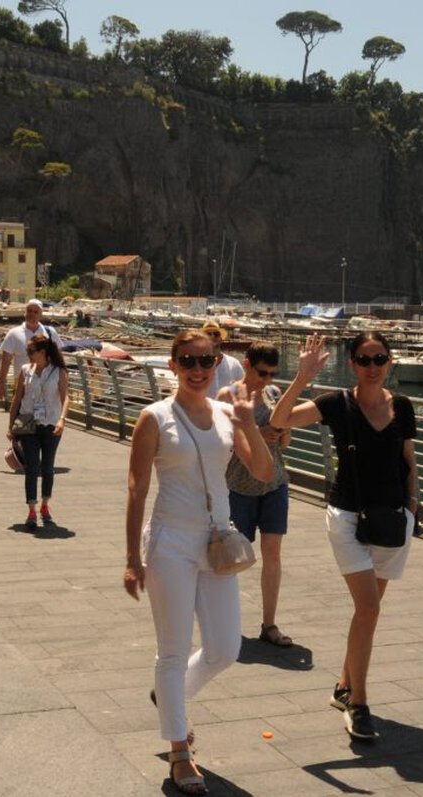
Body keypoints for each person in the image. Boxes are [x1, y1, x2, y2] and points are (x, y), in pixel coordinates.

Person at [124, 329, 274, 795]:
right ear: (172, 365)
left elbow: (264, 472)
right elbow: (136, 489)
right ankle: (179, 752)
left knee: (225, 648)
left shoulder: (229, 415)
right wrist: (132, 558)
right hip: (170, 540)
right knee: (172, 649)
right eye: (187, 360)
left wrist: (249, 423)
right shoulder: (155, 417)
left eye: (205, 361)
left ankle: (170, 702)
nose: (196, 369)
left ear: (217, 364)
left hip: (217, 541)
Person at [269, 331, 419, 742]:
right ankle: (360, 703)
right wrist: (302, 377)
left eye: (380, 359)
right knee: (368, 610)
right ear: (352, 363)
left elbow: (408, 461)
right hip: (349, 517)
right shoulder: (336, 403)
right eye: (365, 359)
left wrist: (412, 509)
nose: (373, 366)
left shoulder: (402, 406)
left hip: (391, 520)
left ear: (389, 362)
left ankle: (342, 686)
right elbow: (280, 421)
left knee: (366, 615)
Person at [216, 342, 294, 648]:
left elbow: (284, 444)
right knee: (233, 556)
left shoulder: (274, 395)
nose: (267, 381)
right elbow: (224, 442)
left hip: (275, 483)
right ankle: (225, 621)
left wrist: (283, 434)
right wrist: (257, 433)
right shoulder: (227, 396)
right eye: (262, 373)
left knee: (273, 553)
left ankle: (269, 623)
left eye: (273, 374)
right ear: (247, 365)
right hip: (238, 486)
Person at [7, 333, 70, 528]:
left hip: (51, 421)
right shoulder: (26, 370)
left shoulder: (58, 371)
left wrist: (62, 420)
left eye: (31, 351)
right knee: (31, 467)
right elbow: (17, 399)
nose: (28, 354)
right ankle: (31, 510)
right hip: (27, 421)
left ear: (43, 352)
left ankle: (45, 505)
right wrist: (11, 426)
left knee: (48, 467)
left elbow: (66, 397)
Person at [0, 299, 63, 402]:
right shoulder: (13, 333)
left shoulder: (50, 332)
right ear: (25, 312)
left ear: (41, 314)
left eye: (36, 312)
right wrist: (1, 383)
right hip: (22, 386)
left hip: (46, 385)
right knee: (21, 415)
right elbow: (6, 360)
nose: (32, 314)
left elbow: (58, 357)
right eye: (29, 311)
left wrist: (62, 381)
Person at [200, 321, 244, 398]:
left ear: (220, 339)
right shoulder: (195, 364)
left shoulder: (234, 364)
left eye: (216, 334)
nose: (212, 337)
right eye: (208, 334)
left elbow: (243, 388)